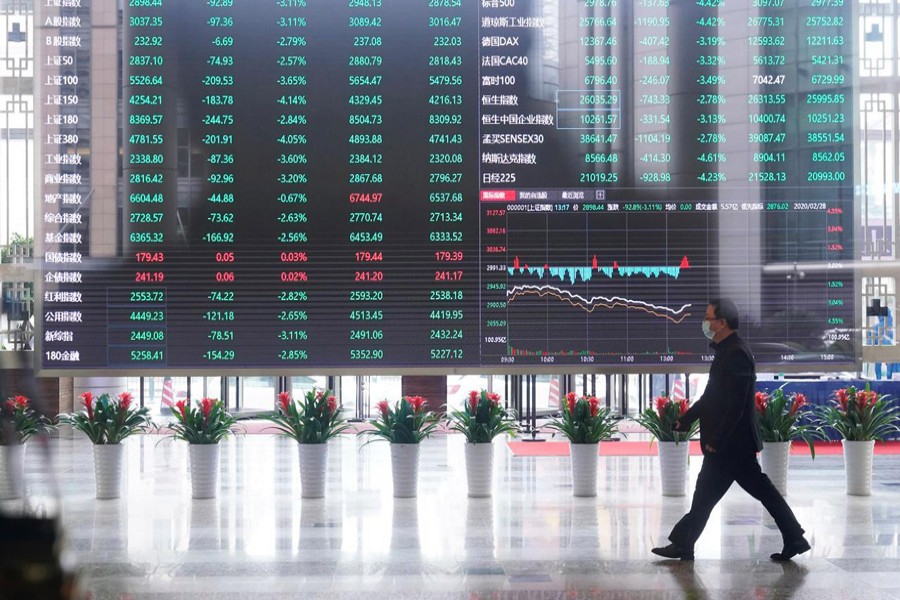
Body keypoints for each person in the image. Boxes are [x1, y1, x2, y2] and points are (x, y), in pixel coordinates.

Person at [651, 298, 811, 562]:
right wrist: (687, 419)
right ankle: (794, 537)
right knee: (729, 494)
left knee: (708, 494)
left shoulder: (736, 353)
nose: (705, 323)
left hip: (730, 445)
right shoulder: (727, 350)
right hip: (733, 445)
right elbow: (712, 397)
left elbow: (736, 405)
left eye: (709, 318)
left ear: (722, 322)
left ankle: (683, 544)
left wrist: (716, 440)